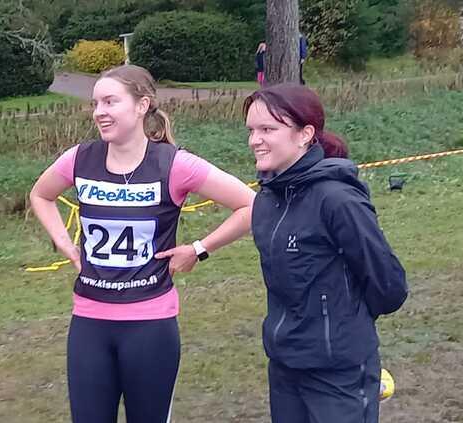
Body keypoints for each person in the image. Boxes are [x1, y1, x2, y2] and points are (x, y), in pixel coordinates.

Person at [29, 64, 256, 423]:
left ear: (141, 105)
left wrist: (198, 249)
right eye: (95, 103)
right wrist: (64, 243)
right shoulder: (80, 159)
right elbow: (41, 195)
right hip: (89, 321)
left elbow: (250, 205)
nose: (99, 112)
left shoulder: (173, 164)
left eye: (110, 101)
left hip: (150, 324)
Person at [243, 83, 408, 423]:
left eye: (267, 129)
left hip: (338, 373)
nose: (255, 140)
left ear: (305, 134)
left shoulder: (337, 200)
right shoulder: (266, 201)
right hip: (285, 365)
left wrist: (343, 325)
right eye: (251, 130)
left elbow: (389, 285)